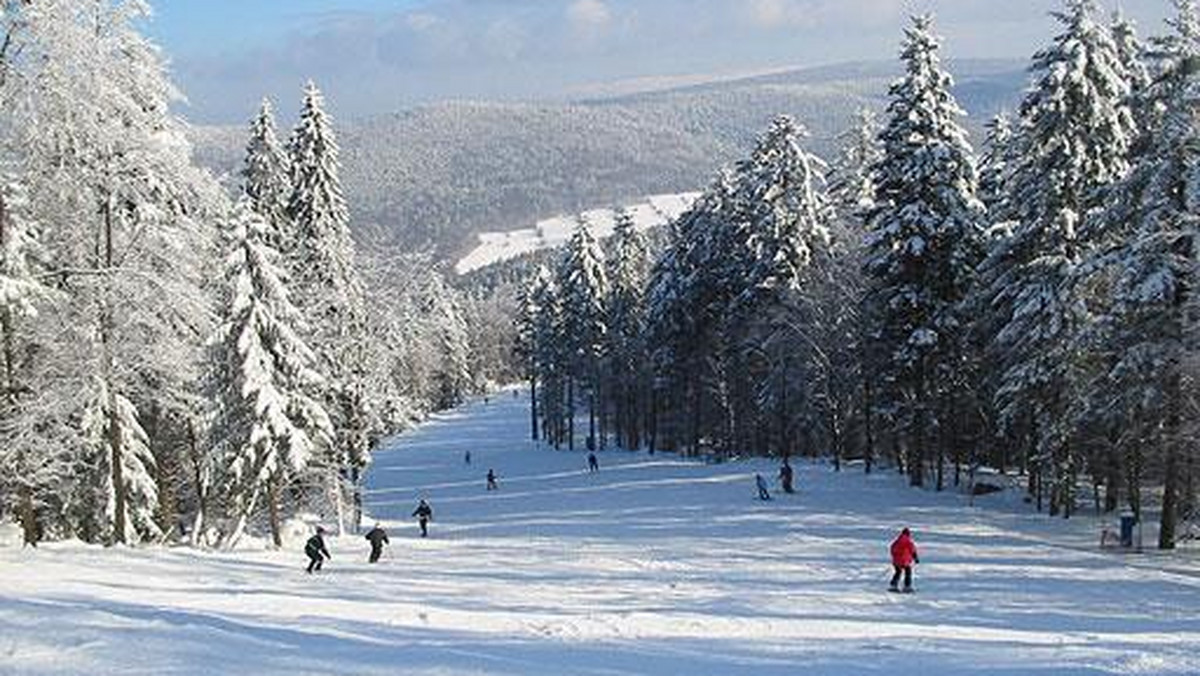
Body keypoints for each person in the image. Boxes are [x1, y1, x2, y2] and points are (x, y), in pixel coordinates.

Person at [889, 527, 920, 592]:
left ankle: (893, 585)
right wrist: (916, 558)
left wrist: (894, 557)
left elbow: (892, 549)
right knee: (908, 572)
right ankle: (907, 586)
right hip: (905, 561)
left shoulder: (896, 541)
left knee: (898, 572)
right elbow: (913, 550)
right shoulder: (909, 542)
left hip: (896, 561)